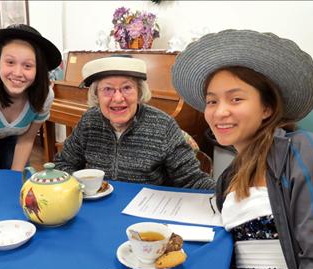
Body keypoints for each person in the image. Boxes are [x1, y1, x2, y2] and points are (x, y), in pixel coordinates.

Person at [172, 29, 313, 269]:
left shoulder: (301, 152)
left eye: (236, 99)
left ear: (267, 107)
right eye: (212, 101)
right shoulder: (230, 176)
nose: (220, 112)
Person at [54, 55, 215, 189]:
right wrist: (83, 186)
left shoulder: (163, 125)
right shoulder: (90, 121)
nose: (117, 98)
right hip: (98, 207)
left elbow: (192, 180)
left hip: (145, 213)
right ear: (96, 95)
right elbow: (64, 164)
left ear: (139, 92)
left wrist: (228, 196)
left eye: (126, 88)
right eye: (108, 89)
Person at [0, 24, 62, 178]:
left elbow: (26, 140)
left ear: (38, 69)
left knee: (19, 184)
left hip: (12, 140)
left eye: (28, 66)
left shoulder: (44, 96)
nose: (18, 73)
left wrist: (14, 180)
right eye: (10, 62)